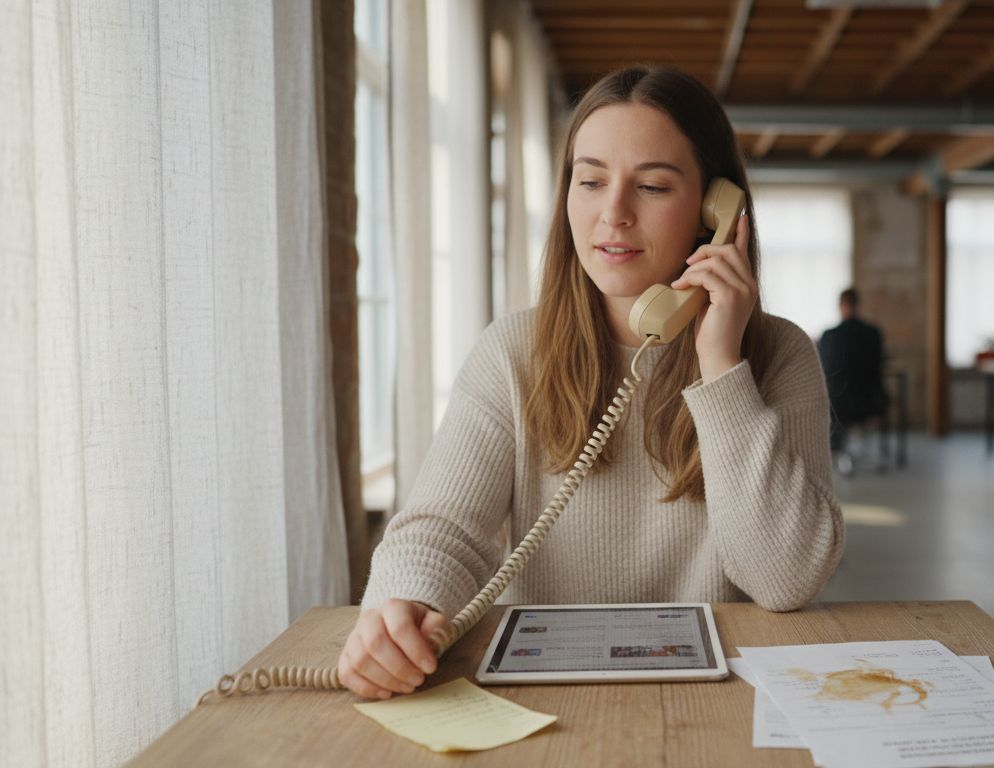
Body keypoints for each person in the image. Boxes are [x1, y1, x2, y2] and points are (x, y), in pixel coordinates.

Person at [338, 66, 844, 700]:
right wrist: (399, 605)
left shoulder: (778, 354)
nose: (614, 214)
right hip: (543, 692)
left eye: (653, 186)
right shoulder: (513, 352)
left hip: (719, 699)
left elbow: (786, 578)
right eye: (591, 180)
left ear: (716, 211)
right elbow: (445, 527)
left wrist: (721, 366)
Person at [818, 288, 890, 457]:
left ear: (840, 306)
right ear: (858, 305)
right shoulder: (873, 334)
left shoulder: (829, 336)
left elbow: (823, 368)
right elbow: (879, 367)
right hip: (870, 401)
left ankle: (835, 451)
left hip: (837, 404)